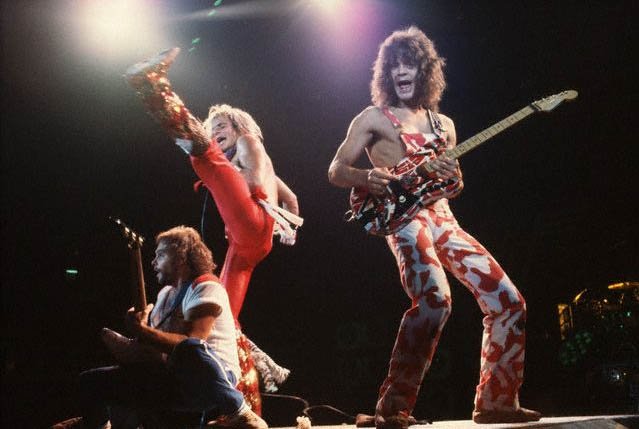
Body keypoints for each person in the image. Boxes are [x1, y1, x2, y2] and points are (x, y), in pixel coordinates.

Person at [328, 26, 541, 426]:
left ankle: (496, 401)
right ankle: (393, 408)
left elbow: (453, 185)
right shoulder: (373, 118)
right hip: (404, 220)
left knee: (508, 300)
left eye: (409, 64)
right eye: (394, 66)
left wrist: (451, 175)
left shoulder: (445, 125)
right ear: (386, 73)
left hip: (443, 218)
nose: (401, 72)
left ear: (424, 71)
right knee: (435, 300)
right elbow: (335, 170)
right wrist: (366, 177)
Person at [123, 48, 302, 407]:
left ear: (239, 127)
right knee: (226, 316)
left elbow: (256, 183)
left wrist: (238, 197)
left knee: (205, 158)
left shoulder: (249, 143)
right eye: (211, 127)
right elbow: (291, 198)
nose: (215, 131)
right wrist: (288, 229)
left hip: (251, 225)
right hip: (247, 243)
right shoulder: (249, 159)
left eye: (221, 126)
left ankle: (153, 85)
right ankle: (242, 396)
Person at [74, 226, 268, 429]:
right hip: (173, 380)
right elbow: (155, 351)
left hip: (209, 381)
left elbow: (192, 341)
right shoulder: (164, 294)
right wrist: (129, 343)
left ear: (180, 257)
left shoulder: (206, 286)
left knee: (189, 347)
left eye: (160, 255)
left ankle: (239, 412)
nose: (153, 262)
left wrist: (143, 331)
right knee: (91, 381)